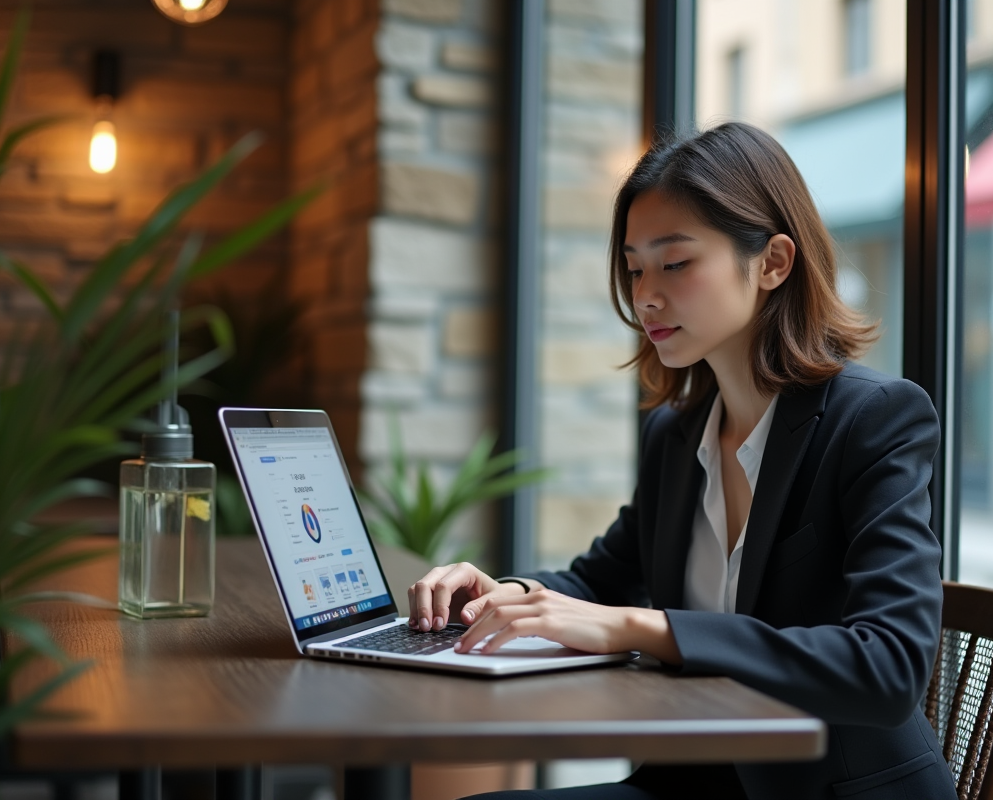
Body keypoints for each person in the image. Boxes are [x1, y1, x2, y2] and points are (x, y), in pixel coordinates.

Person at [408, 123, 955, 800]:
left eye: (675, 264)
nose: (645, 297)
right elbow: (601, 579)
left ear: (773, 263)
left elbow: (891, 667)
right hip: (693, 784)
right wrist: (506, 597)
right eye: (635, 268)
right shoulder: (675, 434)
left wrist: (645, 629)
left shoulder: (873, 419)